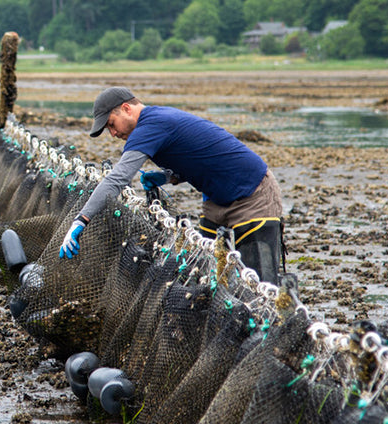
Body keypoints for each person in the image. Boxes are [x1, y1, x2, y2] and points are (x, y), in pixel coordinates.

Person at [57, 86, 285, 284]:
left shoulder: (150, 126)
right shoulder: (154, 122)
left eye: (111, 124)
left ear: (126, 109)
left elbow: (117, 179)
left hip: (253, 192)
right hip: (215, 199)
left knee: (260, 282)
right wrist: (166, 177)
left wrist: (81, 219)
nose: (113, 133)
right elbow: (195, 157)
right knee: (207, 272)